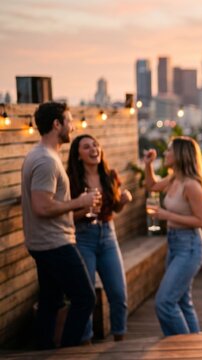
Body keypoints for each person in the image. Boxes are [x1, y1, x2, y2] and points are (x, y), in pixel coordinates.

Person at [21, 102, 99, 348]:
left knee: (51, 301)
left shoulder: (41, 155)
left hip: (43, 242)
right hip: (54, 243)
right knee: (85, 298)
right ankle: (68, 351)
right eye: (69, 120)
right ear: (57, 124)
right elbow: (42, 207)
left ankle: (43, 350)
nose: (73, 126)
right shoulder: (46, 161)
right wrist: (79, 201)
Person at [143, 136, 202, 336]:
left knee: (164, 302)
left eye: (168, 150)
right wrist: (148, 165)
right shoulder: (175, 178)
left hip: (190, 246)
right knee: (182, 300)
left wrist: (166, 215)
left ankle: (180, 349)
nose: (165, 153)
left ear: (180, 155)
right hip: (175, 242)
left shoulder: (191, 185)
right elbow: (152, 186)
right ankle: (193, 346)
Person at [67, 134, 132, 342]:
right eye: (86, 147)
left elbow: (115, 208)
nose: (93, 149)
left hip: (108, 236)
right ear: (78, 155)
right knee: (86, 297)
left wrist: (123, 201)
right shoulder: (71, 180)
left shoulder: (110, 175)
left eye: (95, 145)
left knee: (119, 294)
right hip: (83, 237)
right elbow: (66, 216)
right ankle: (85, 342)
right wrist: (83, 209)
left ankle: (119, 341)